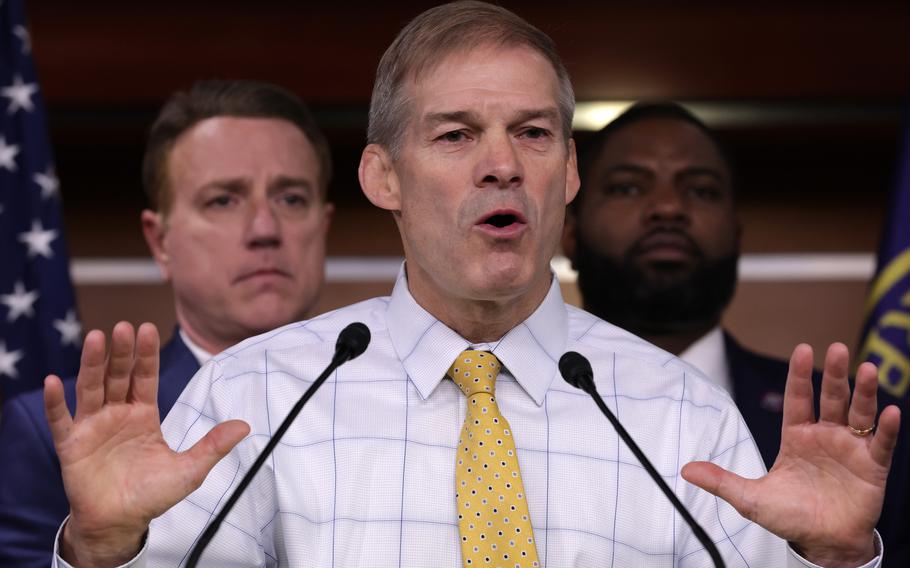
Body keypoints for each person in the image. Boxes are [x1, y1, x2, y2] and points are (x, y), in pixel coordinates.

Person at [46, 3, 899, 567]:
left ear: (567, 172)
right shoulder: (258, 398)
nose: (502, 165)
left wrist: (835, 563)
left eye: (532, 133)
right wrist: (101, 550)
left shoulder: (683, 415)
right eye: (456, 136)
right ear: (383, 177)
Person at [0, 79, 334, 567]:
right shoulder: (52, 431)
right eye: (224, 200)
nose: (265, 230)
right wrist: (95, 550)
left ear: (321, 227)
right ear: (160, 242)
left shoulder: (393, 402)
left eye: (291, 198)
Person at [561, 101, 910, 564]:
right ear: (569, 233)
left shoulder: (863, 428)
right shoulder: (500, 407)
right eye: (627, 187)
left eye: (701, 191)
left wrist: (837, 557)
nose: (668, 208)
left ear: (736, 232)